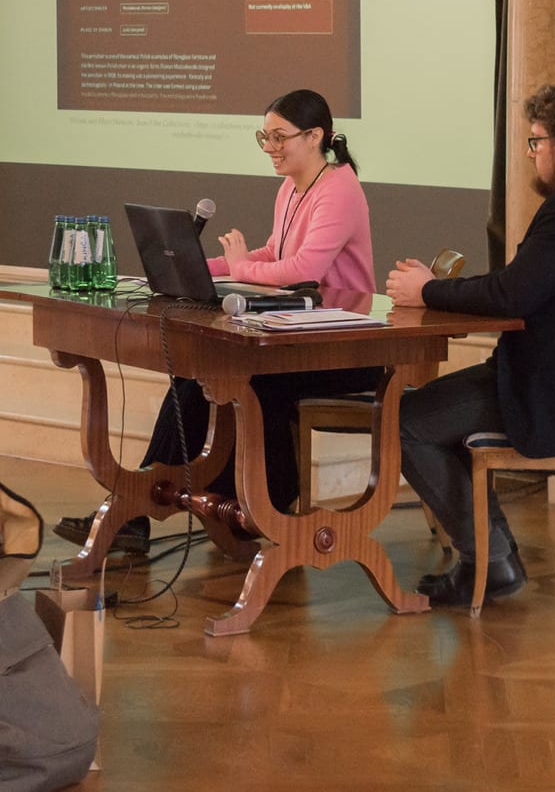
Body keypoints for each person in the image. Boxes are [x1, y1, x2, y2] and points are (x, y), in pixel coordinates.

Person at [53, 88, 375, 552]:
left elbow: (304, 270)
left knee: (233, 382)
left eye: (280, 137)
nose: (270, 147)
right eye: (264, 136)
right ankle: (155, 509)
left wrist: (242, 269)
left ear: (315, 136)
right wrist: (203, 266)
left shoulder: (339, 188)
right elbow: (272, 254)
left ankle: (229, 506)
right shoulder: (291, 187)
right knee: (198, 375)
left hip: (341, 349)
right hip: (297, 339)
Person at [386, 81, 555, 608]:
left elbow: (510, 294)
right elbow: (522, 287)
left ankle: (491, 563)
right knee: (418, 415)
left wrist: (426, 289)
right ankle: (494, 556)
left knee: (402, 423)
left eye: (536, 142)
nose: (531, 154)